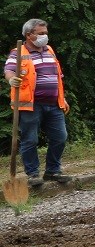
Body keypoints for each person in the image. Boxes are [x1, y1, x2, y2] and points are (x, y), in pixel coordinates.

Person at [5, 18, 72, 189]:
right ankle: (33, 174)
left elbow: (57, 76)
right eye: (41, 33)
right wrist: (12, 80)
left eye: (46, 33)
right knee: (30, 140)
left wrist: (62, 97)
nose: (45, 37)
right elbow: (9, 70)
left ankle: (52, 170)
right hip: (30, 105)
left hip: (54, 104)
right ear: (29, 35)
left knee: (60, 137)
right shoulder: (18, 52)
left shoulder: (49, 50)